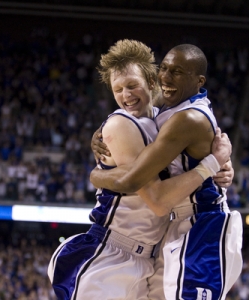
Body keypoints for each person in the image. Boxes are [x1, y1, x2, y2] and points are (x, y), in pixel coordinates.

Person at [48, 40, 233, 300]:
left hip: (149, 259)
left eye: (132, 85)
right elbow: (156, 200)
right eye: (118, 89)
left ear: (151, 81)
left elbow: (194, 138)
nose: (126, 95)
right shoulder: (121, 124)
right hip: (111, 253)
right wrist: (212, 164)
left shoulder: (163, 118)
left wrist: (223, 163)